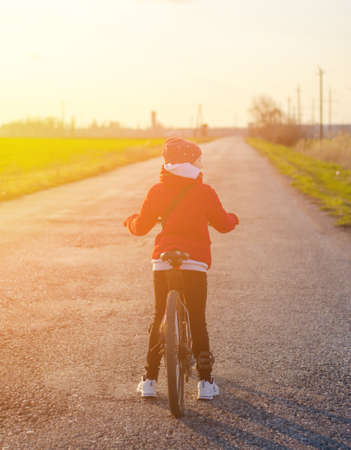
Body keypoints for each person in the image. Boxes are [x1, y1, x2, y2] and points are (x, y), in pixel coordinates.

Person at [124, 137, 239, 400]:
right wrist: (233, 218)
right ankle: (206, 384)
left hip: (163, 261)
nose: (201, 162)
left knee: (158, 316)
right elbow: (223, 224)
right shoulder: (204, 192)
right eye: (199, 158)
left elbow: (140, 227)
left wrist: (129, 221)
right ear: (191, 162)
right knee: (198, 319)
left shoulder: (157, 191)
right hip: (194, 262)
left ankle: (150, 380)